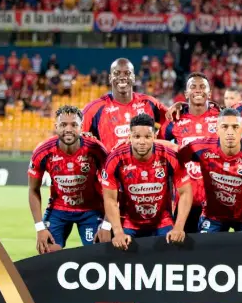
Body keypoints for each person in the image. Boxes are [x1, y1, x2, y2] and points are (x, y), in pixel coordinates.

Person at [178, 108, 242, 241]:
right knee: (204, 253)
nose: (230, 132)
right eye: (225, 127)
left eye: (235, 127)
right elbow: (173, 158)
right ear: (217, 129)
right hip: (213, 216)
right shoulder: (199, 147)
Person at [101, 114, 192, 250]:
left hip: (162, 221)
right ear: (129, 137)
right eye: (137, 137)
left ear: (154, 137)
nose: (142, 142)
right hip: (129, 222)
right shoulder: (115, 159)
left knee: (172, 256)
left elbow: (185, 192)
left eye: (147, 137)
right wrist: (118, 232)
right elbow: (110, 199)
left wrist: (179, 227)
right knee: (123, 260)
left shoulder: (169, 156)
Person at [28, 106, 110, 253]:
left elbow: (113, 187)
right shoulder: (43, 151)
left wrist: (106, 224)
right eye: (63, 125)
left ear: (81, 127)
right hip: (59, 209)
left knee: (99, 253)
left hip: (91, 209)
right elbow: (33, 190)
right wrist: (39, 227)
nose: (68, 129)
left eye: (74, 125)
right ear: (56, 126)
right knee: (46, 250)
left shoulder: (96, 149)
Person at [160, 73, 220, 233]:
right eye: (193, 87)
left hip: (215, 198)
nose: (198, 90)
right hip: (185, 198)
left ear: (209, 92)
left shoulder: (222, 118)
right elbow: (158, 148)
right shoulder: (174, 120)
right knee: (183, 251)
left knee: (212, 249)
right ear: (186, 93)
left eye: (202, 87)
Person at [82, 58, 171, 150]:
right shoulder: (94, 108)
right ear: (110, 78)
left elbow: (173, 122)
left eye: (127, 73)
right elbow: (78, 138)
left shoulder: (149, 103)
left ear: (134, 77)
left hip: (144, 163)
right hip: (110, 163)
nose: (122, 77)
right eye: (116, 73)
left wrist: (158, 140)